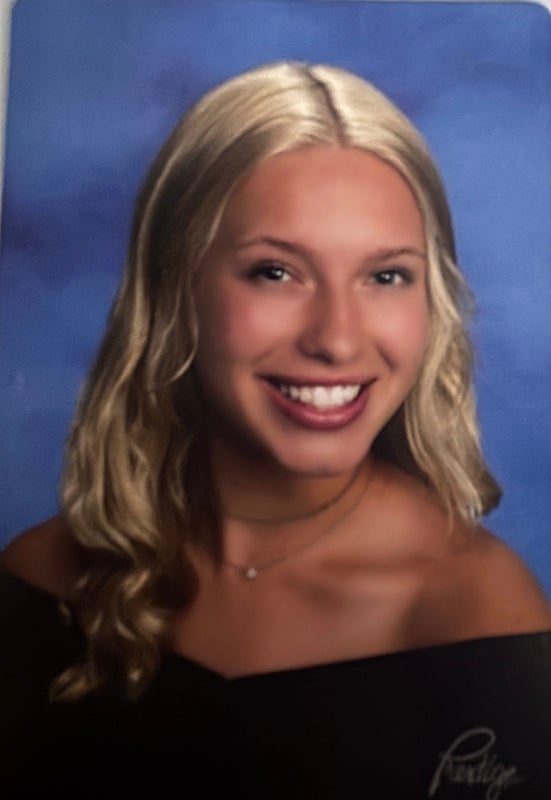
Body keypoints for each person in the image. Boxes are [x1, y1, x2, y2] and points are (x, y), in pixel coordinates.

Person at [2, 61, 551, 798]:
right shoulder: (39, 576)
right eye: (275, 272)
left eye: (386, 275)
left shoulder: (479, 614)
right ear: (174, 291)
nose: (336, 339)